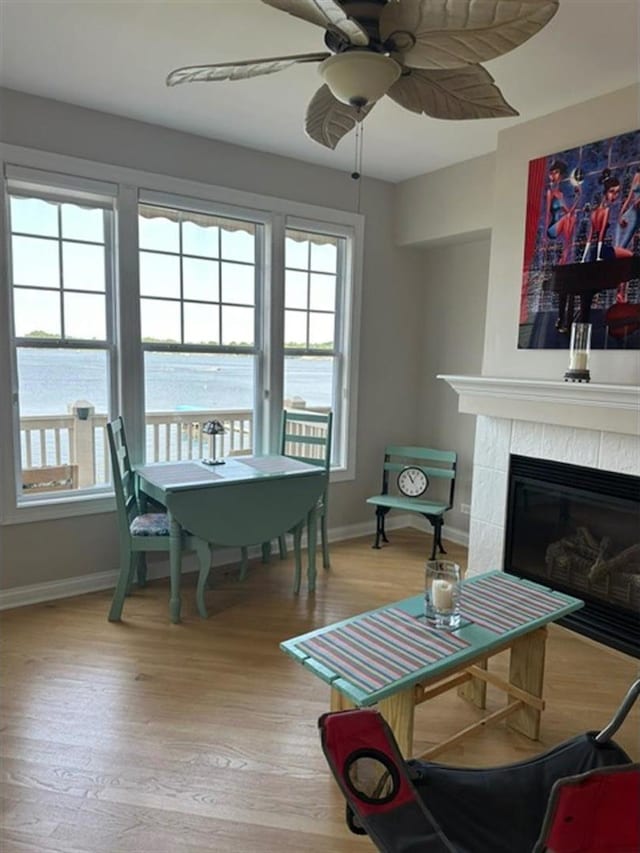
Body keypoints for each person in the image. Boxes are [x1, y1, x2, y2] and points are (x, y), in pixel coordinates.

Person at [545, 160, 581, 331]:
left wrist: (578, 197)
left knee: (571, 217)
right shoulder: (550, 193)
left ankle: (567, 256)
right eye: (553, 172)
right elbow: (547, 215)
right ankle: (567, 254)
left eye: (557, 173)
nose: (554, 176)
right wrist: (545, 238)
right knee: (569, 219)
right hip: (552, 228)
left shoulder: (560, 194)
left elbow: (570, 211)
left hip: (563, 225)